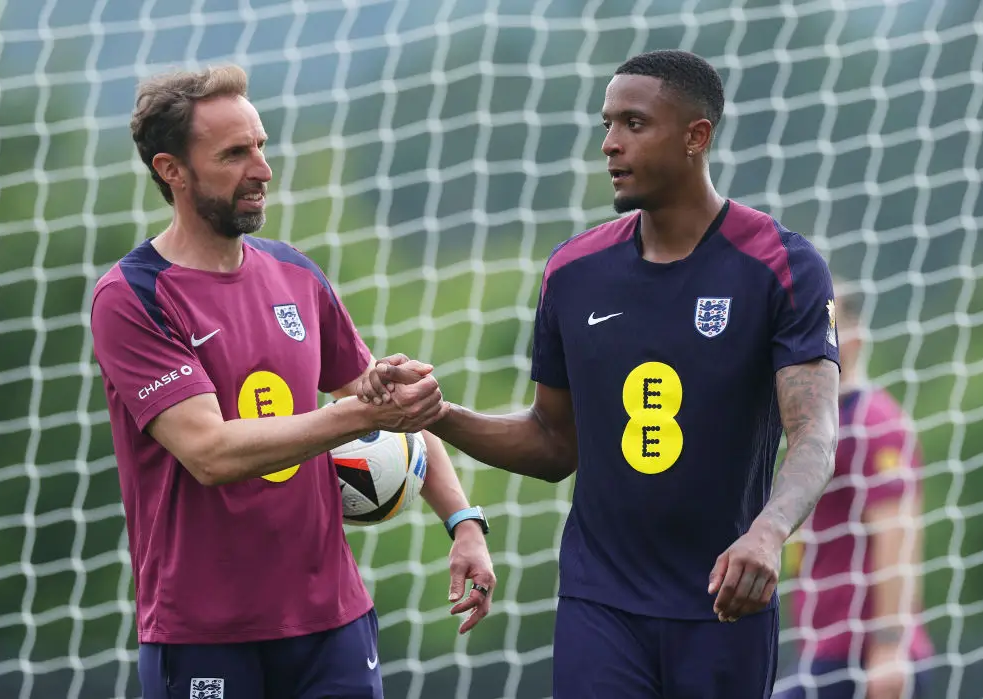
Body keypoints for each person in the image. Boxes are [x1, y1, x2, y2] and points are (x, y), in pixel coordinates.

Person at [359, 49, 841, 699]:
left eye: (634, 124)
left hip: (725, 601)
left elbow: (813, 434)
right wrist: (437, 413)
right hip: (600, 601)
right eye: (607, 123)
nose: (610, 144)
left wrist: (767, 532)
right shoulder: (573, 271)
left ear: (696, 136)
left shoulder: (781, 265)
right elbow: (555, 443)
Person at [89, 64, 496, 699]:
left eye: (261, 146)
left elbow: (383, 400)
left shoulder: (294, 273)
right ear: (172, 171)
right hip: (204, 630)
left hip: (332, 621)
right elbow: (210, 453)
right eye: (234, 153)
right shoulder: (133, 297)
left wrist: (463, 522)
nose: (262, 169)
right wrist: (360, 416)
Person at [775, 285, 934, 699]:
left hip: (863, 655)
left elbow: (898, 530)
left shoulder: (873, 421)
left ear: (856, 337)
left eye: (826, 324)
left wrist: (887, 647)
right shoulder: (820, 425)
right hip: (827, 646)